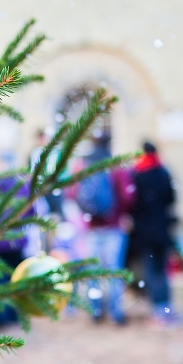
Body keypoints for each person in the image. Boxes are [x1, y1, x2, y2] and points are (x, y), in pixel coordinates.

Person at [76, 131, 134, 324]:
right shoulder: (115, 166)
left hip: (90, 226)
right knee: (114, 271)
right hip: (113, 226)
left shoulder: (84, 165)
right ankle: (116, 312)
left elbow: (73, 193)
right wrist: (121, 212)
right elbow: (127, 196)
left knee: (93, 271)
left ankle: (96, 310)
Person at [130, 141, 178, 325]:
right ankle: (165, 307)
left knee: (151, 270)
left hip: (144, 231)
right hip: (162, 229)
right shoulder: (163, 172)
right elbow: (172, 198)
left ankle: (158, 309)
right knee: (162, 270)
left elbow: (133, 203)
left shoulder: (137, 174)